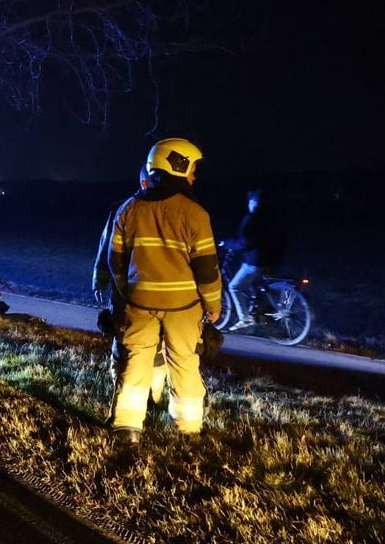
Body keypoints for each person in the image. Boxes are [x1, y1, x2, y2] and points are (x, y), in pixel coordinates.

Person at [107, 138, 221, 442]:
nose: (194, 176)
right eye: (192, 169)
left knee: (135, 362)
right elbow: (207, 269)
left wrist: (126, 294)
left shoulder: (128, 209)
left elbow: (115, 261)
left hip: (139, 305)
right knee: (184, 363)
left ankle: (127, 428)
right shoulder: (195, 213)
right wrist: (213, 305)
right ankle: (189, 429)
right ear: (178, 166)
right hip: (183, 309)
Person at [93, 167, 168, 406]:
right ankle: (125, 395)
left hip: (146, 292)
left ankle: (152, 397)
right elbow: (107, 247)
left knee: (155, 345)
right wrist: (99, 279)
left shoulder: (167, 210)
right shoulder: (124, 210)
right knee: (124, 340)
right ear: (145, 184)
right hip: (129, 292)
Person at [227, 188, 287, 331]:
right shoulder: (273, 218)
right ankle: (263, 316)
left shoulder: (251, 219)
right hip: (273, 260)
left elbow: (244, 243)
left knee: (234, 287)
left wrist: (226, 244)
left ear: (253, 202)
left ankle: (244, 319)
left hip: (256, 262)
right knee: (258, 286)